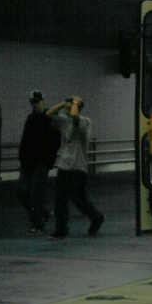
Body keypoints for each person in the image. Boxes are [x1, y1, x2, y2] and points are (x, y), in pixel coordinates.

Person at [46, 96, 104, 238]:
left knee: (79, 199)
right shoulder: (64, 121)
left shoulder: (85, 122)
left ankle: (96, 217)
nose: (68, 109)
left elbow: (74, 117)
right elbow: (48, 114)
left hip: (78, 167)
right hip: (65, 165)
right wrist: (62, 103)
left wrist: (75, 103)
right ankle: (61, 230)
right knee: (60, 200)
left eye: (71, 106)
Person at [18, 90, 60, 234]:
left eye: (37, 102)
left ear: (42, 101)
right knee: (23, 192)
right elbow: (25, 140)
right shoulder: (31, 118)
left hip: (41, 161)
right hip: (29, 161)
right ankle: (41, 214)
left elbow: (55, 141)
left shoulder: (48, 118)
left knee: (35, 192)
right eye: (33, 103)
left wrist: (49, 160)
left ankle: (38, 223)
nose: (35, 105)